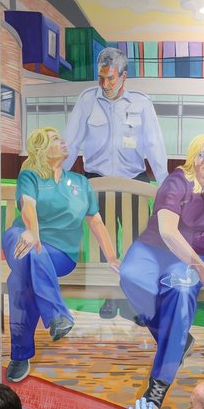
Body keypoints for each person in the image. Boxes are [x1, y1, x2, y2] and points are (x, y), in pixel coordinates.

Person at [118, 133, 204, 408]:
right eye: (201, 154)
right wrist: (200, 268)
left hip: (194, 255)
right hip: (154, 249)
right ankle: (179, 338)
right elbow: (167, 231)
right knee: (129, 275)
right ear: (192, 158)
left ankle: (159, 382)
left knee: (181, 287)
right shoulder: (178, 181)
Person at [3, 126, 119, 383]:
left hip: (61, 254)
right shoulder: (31, 176)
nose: (63, 141)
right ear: (41, 149)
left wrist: (112, 257)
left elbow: (96, 222)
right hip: (20, 240)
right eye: (55, 139)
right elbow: (28, 206)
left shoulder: (80, 183)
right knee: (32, 253)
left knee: (18, 281)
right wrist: (33, 232)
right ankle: (57, 316)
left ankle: (21, 355)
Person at [63, 46, 169, 319]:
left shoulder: (141, 103)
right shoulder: (87, 100)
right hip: (97, 182)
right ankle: (109, 298)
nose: (105, 84)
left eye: (111, 78)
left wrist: (165, 184)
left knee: (136, 244)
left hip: (133, 181)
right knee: (103, 245)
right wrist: (58, 177)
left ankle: (133, 300)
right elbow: (71, 142)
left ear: (124, 76)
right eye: (101, 78)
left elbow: (155, 145)